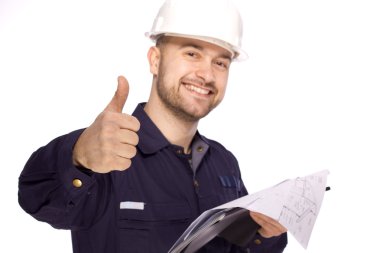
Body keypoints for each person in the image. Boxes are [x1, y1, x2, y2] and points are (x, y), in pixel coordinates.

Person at [18, 0, 288, 252]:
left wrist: (264, 234)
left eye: (220, 62)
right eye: (192, 53)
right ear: (155, 60)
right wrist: (77, 157)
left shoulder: (224, 163)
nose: (207, 75)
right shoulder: (105, 153)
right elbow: (36, 198)